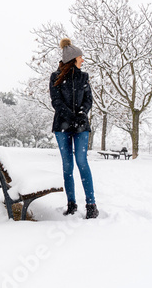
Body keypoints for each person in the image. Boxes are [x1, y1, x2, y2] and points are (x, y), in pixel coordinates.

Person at [49, 38, 99, 219]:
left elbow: (88, 100)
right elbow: (56, 102)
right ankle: (71, 203)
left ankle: (91, 204)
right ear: (72, 59)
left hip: (81, 126)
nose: (82, 60)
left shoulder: (83, 77)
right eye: (80, 57)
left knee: (81, 161)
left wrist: (81, 114)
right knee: (67, 165)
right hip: (62, 125)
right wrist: (71, 118)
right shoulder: (55, 77)